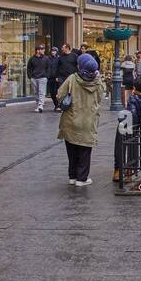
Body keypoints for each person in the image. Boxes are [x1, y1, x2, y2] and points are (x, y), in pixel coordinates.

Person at [56, 53, 106, 187]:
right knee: (85, 151)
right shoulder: (98, 82)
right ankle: (81, 178)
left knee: (71, 150)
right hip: (88, 121)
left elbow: (60, 94)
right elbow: (100, 97)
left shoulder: (72, 79)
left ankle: (72, 176)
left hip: (71, 119)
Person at [27, 45, 51, 112]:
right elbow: (29, 68)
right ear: (37, 51)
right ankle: (38, 104)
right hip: (34, 78)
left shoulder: (46, 58)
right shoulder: (32, 59)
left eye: (43, 49)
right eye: (41, 49)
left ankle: (40, 105)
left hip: (43, 78)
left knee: (41, 92)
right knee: (35, 92)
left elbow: (49, 68)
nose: (43, 50)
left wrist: (47, 76)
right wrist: (30, 76)